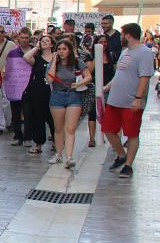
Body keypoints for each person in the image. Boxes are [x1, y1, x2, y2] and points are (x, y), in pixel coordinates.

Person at [101, 23, 154, 179]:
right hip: (115, 100)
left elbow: (144, 77)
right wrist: (106, 87)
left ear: (128, 35)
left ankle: (128, 165)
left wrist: (138, 98)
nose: (120, 37)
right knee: (108, 129)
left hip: (131, 102)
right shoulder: (125, 52)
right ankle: (121, 154)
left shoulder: (144, 53)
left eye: (122, 34)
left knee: (132, 133)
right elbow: (120, 75)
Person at [46, 38, 92, 169]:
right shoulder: (53, 63)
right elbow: (49, 79)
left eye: (64, 49)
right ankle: (59, 154)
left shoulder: (77, 62)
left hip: (73, 95)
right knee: (58, 128)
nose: (61, 52)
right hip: (57, 96)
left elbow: (88, 76)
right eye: (59, 49)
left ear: (70, 50)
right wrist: (54, 61)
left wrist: (80, 83)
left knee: (70, 128)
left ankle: (69, 156)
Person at [23, 35, 54, 155]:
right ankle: (38, 143)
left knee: (52, 118)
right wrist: (37, 46)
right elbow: (26, 57)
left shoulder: (56, 58)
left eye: (47, 41)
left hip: (52, 91)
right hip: (37, 91)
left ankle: (56, 141)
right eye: (43, 41)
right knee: (38, 117)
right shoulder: (37, 58)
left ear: (52, 44)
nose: (44, 42)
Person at [5, 28, 33, 147]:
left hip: (30, 88)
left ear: (29, 38)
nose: (24, 40)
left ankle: (28, 137)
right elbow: (9, 69)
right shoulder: (12, 53)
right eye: (22, 38)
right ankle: (18, 136)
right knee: (15, 113)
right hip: (16, 87)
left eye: (26, 38)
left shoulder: (34, 51)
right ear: (18, 38)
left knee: (28, 113)